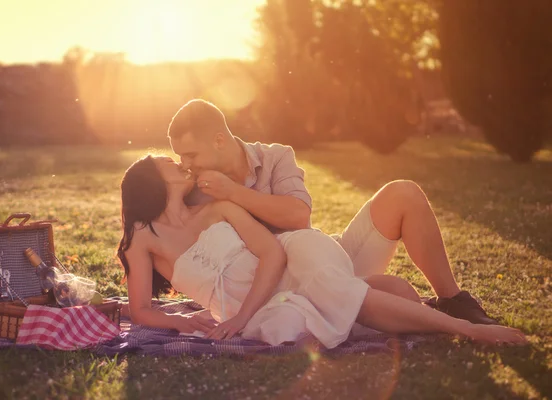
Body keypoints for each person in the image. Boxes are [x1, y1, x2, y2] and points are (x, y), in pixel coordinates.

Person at [116, 155, 526, 348]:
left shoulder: (218, 207)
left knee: (337, 288)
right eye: (169, 161)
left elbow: (273, 254)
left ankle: (469, 330)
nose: (181, 163)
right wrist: (186, 324)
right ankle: (427, 315)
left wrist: (239, 316)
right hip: (263, 305)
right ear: (151, 180)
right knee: (398, 292)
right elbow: (140, 310)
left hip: (286, 268)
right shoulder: (142, 238)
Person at [167, 99, 498, 325]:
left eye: (191, 154)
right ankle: (390, 304)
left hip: (327, 259)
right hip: (292, 291)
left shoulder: (275, 157)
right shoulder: (194, 192)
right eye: (180, 157)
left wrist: (234, 193)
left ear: (220, 140)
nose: (186, 164)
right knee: (399, 294)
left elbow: (299, 217)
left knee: (403, 194)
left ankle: (452, 300)